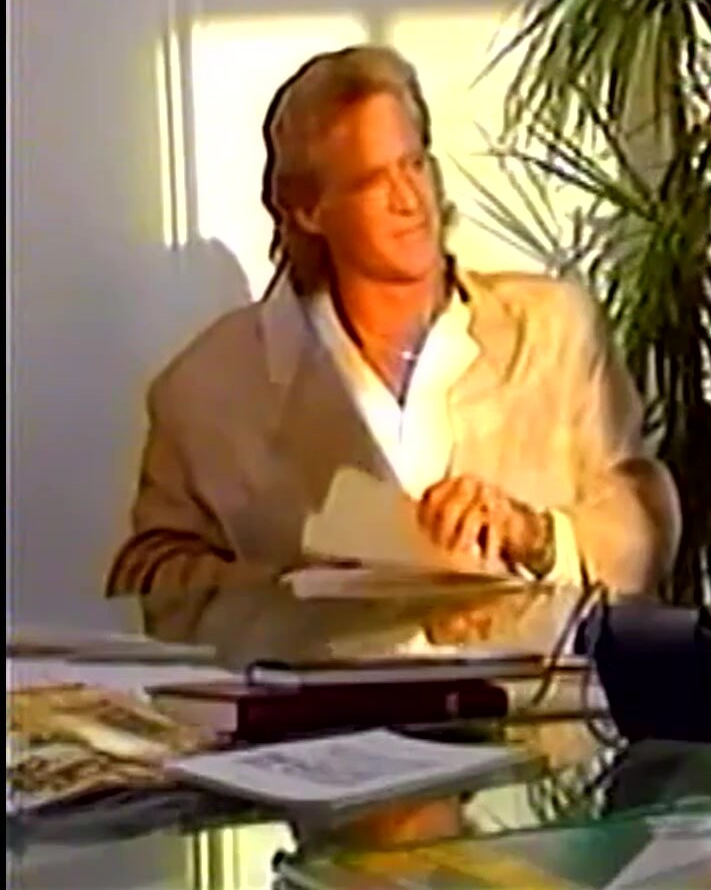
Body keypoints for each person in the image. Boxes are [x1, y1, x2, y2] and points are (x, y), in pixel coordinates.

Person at [105, 45, 680, 648]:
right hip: (327, 705)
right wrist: (309, 596)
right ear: (308, 210)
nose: (410, 200)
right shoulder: (208, 387)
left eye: (415, 164)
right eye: (373, 181)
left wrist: (535, 535)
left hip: (522, 703)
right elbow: (151, 584)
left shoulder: (552, 331)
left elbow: (644, 524)